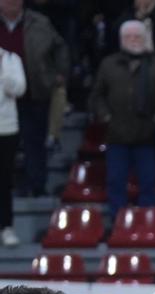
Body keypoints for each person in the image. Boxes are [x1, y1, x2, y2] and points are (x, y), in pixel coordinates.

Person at [90, 20, 155, 220]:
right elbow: (97, 95)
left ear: (145, 39)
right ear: (121, 40)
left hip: (148, 136)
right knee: (115, 182)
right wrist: (106, 116)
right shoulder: (108, 64)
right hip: (116, 135)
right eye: (129, 37)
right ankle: (118, 223)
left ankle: (148, 224)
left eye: (137, 36)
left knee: (148, 183)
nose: (133, 40)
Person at [0, 0, 66, 198]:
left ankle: (36, 185)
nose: (11, 2)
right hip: (3, 97)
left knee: (34, 143)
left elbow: (60, 47)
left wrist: (60, 73)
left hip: (35, 91)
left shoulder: (40, 22)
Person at [113, 0, 155, 75]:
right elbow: (116, 31)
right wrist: (137, 17)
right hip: (135, 65)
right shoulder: (127, 17)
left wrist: (152, 13)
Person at [0, 44, 23, 247]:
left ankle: (6, 227)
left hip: (6, 128)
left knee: (4, 180)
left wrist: (3, 73)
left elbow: (19, 88)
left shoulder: (10, 59)